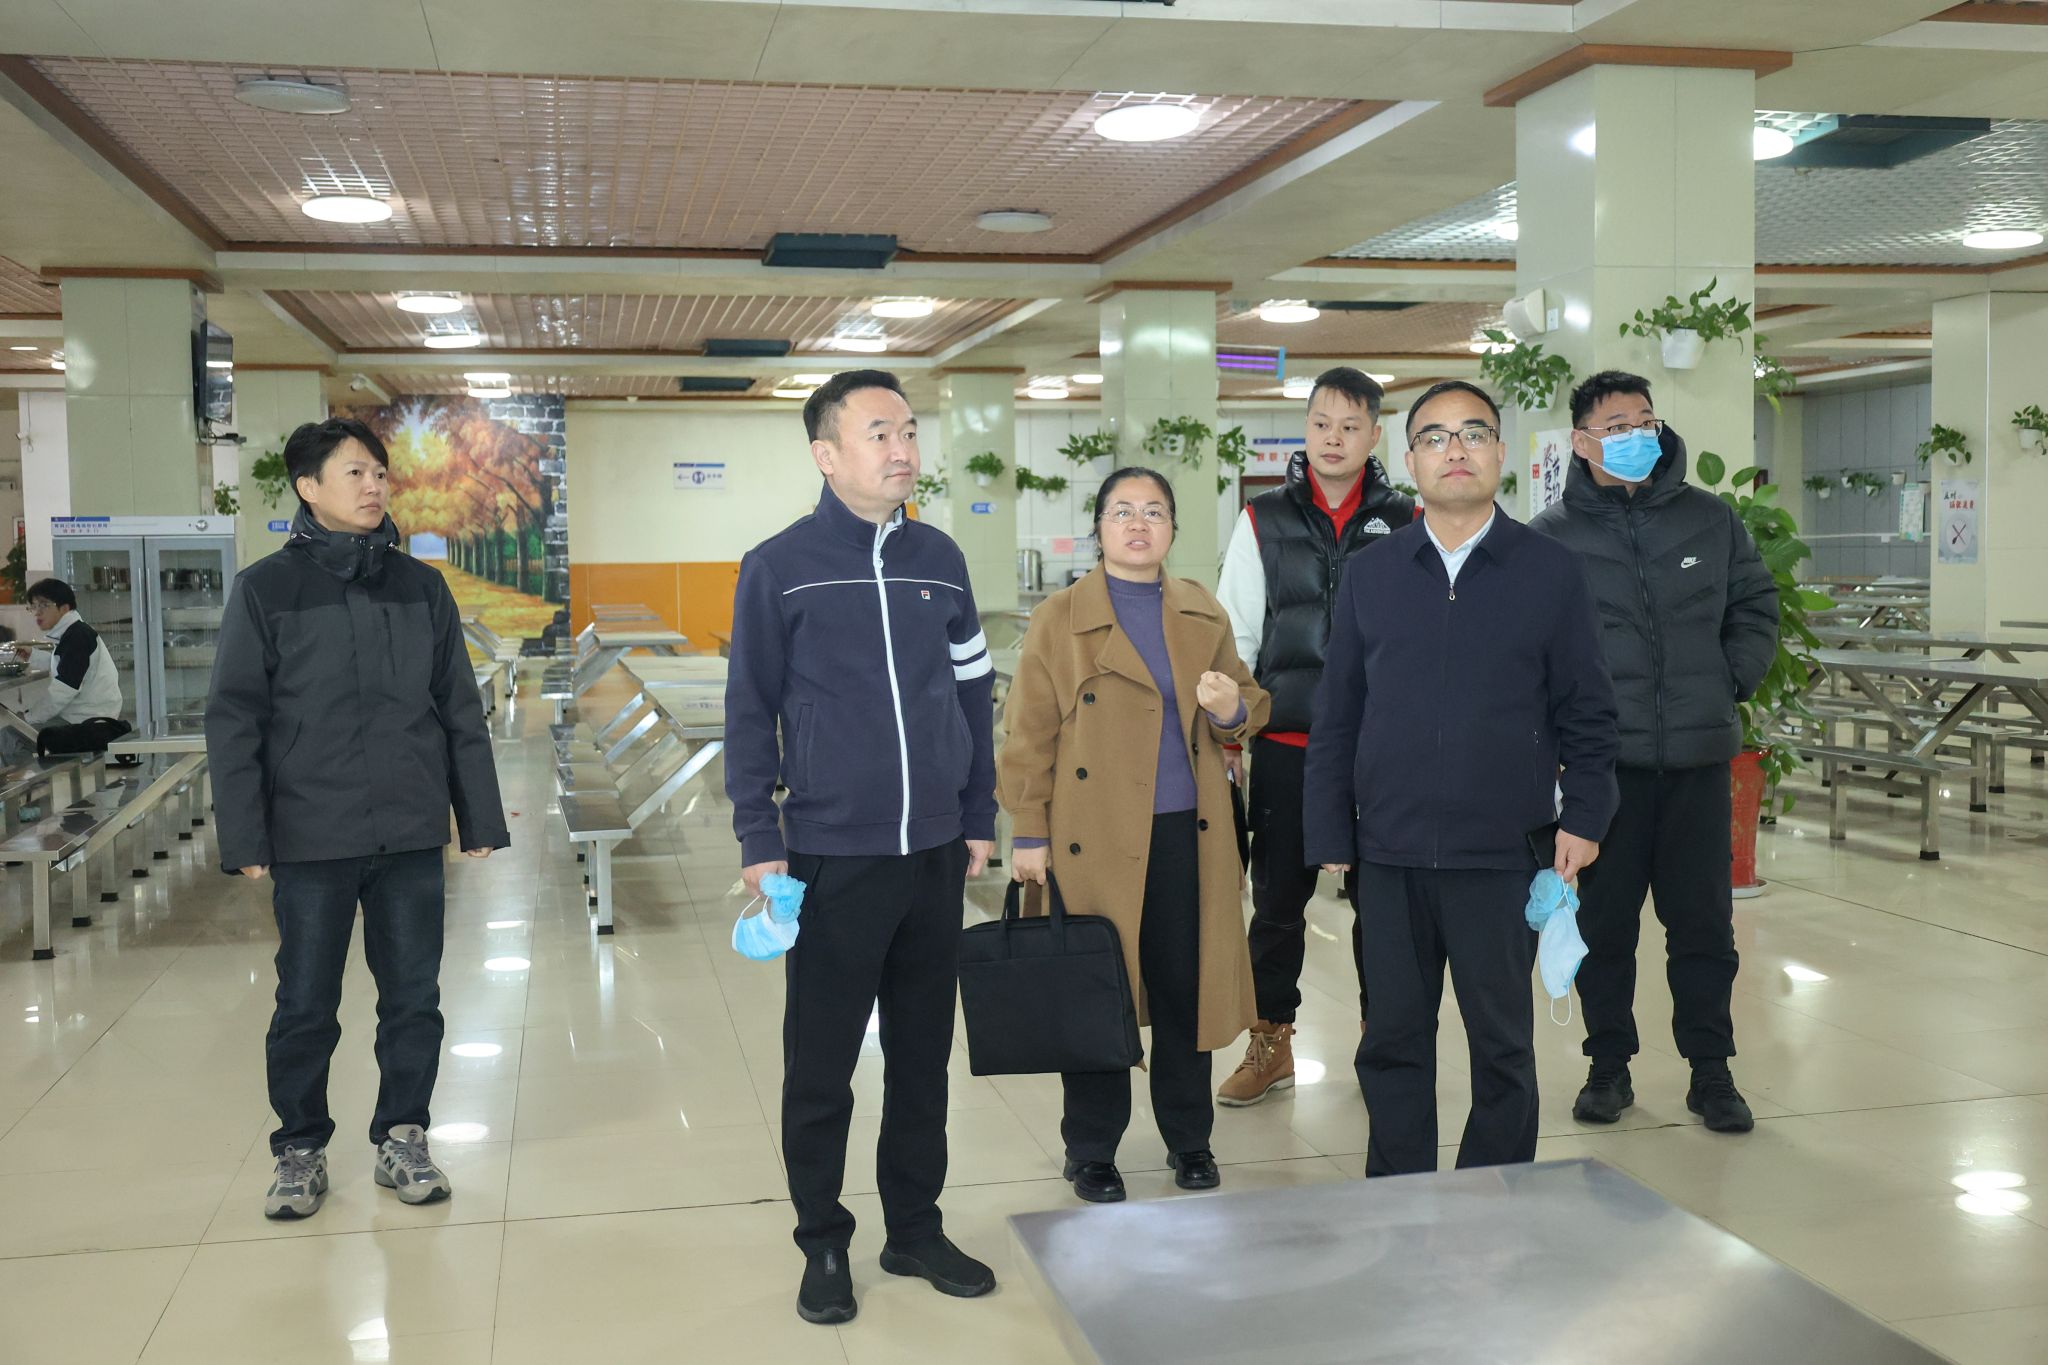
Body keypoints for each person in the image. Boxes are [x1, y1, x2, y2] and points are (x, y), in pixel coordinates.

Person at [724, 369, 999, 1326]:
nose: (902, 449)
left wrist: (977, 811)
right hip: (831, 854)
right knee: (822, 1067)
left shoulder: (940, 558)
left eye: (909, 430)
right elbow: (749, 709)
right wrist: (759, 831)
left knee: (923, 1058)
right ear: (826, 454)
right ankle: (823, 1240)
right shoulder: (780, 566)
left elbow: (973, 692)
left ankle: (914, 1227)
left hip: (934, 854)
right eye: (879, 432)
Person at [1303, 380, 1619, 1176]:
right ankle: (1399, 1192)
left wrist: (1585, 815)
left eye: (1473, 434)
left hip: (1502, 852)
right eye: (1436, 437)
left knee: (1503, 1046)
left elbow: (1588, 708)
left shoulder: (1549, 571)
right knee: (1392, 1041)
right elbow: (1337, 713)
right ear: (1409, 460)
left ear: (1500, 454)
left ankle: (1496, 1196)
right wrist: (1330, 828)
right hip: (1390, 852)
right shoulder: (1373, 573)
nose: (1456, 450)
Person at [205, 417, 508, 1222]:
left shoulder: (420, 587)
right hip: (311, 834)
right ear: (308, 487)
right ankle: (299, 1148)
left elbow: (457, 707)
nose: (374, 485)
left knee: (413, 997)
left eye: (379, 472)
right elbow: (234, 717)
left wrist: (476, 814)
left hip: (408, 830)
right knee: (306, 1001)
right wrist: (246, 834)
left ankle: (403, 1135)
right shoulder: (266, 590)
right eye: (355, 473)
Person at [999, 467, 1269, 1204]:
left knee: (1186, 992)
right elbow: (1027, 733)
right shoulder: (1060, 618)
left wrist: (1228, 711)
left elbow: (1248, 705)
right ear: (1099, 528)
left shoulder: (1200, 611)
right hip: (1090, 839)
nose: (1139, 524)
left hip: (1189, 834)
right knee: (1097, 993)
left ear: (1173, 528)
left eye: (1154, 511)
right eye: (1122, 511)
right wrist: (1028, 829)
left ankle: (1190, 1139)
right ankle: (1091, 1150)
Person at [1531, 372, 1776, 1134]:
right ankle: (1609, 1067)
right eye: (1616, 425)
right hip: (1606, 772)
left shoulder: (1710, 519)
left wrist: (1728, 679)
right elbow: (1531, 651)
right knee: (1606, 929)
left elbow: (1755, 605)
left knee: (1703, 927)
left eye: (1645, 420)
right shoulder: (1551, 538)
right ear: (1581, 442)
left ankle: (1712, 1071)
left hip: (1698, 764)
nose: (1637, 434)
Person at [1214, 366, 1415, 1106]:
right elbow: (1236, 633)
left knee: (1385, 906)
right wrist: (1232, 730)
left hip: (1382, 751)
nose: (1334, 439)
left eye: (1350, 426)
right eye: (1322, 424)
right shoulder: (1262, 519)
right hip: (1290, 748)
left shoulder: (1408, 520)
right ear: (1305, 429)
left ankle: (1382, 1037)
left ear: (1374, 435)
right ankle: (1271, 1041)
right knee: (1276, 908)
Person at [3, 578, 130, 762]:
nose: (37, 612)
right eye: (34, 606)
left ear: (64, 608)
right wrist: (33, 655)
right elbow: (65, 664)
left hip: (88, 722)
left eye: (43, 605)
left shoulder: (77, 637)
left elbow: (63, 691)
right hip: (86, 715)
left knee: (11, 738)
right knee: (14, 733)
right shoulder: (74, 632)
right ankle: (41, 777)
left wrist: (29, 717)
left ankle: (40, 779)